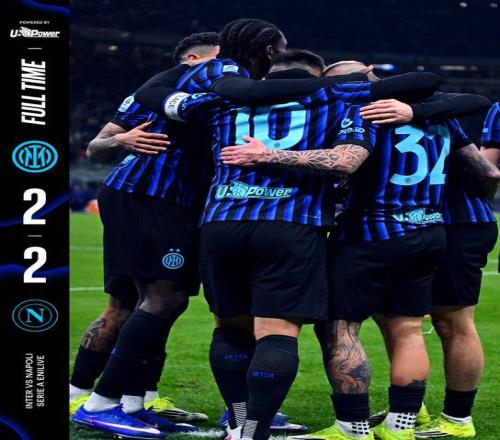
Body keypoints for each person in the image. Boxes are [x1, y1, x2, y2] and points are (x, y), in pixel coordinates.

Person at [220, 64, 499, 440]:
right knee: (409, 328)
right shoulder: (439, 113)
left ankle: (352, 426)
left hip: (372, 233)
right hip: (430, 230)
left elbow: (345, 163)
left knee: (340, 326)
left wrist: (268, 155)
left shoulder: (363, 112)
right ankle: (401, 425)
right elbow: (488, 172)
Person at [71, 32, 219, 440]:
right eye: (220, 59)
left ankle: (134, 402)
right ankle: (87, 397)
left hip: (170, 203)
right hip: (146, 196)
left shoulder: (209, 96)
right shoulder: (156, 94)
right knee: (151, 300)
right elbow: (96, 148)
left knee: (145, 302)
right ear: (194, 60)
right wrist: (121, 139)